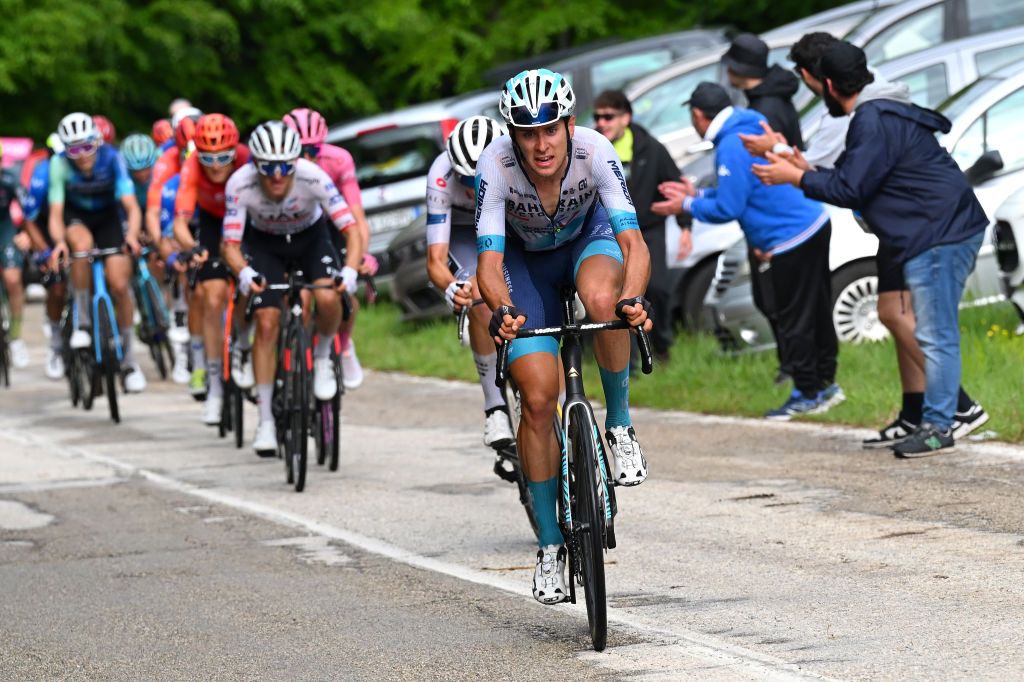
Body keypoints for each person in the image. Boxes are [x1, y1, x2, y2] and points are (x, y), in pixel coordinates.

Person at [742, 34, 990, 447]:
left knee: (934, 333)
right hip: (932, 228)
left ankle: (941, 425)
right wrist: (796, 165)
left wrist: (794, 175)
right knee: (922, 326)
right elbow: (850, 177)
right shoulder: (879, 112)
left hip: (936, 231)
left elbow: (849, 189)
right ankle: (931, 419)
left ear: (829, 85)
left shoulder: (871, 118)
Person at [475, 69, 652, 605]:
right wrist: (503, 309)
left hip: (587, 242)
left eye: (549, 129)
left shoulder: (596, 151)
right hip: (526, 268)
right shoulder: (496, 165)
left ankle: (619, 426)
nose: (540, 143)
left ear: (569, 124)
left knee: (604, 303)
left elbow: (634, 243)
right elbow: (488, 261)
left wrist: (633, 298)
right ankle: (551, 546)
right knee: (536, 397)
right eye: (527, 133)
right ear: (512, 134)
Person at [654, 82, 840, 419]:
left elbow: (729, 207)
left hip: (789, 237)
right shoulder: (748, 123)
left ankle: (808, 391)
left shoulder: (730, 146)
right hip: (811, 223)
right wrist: (694, 194)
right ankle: (826, 383)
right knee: (815, 310)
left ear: (698, 115)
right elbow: (736, 191)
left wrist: (685, 204)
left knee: (792, 317)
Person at [222, 121, 365, 454]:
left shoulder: (313, 177)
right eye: (267, 167)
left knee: (329, 296)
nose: (276, 175)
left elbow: (352, 231)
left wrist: (349, 269)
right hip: (265, 245)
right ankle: (266, 422)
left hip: (310, 241)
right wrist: (243, 273)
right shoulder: (239, 184)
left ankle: (323, 356)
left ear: (296, 161)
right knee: (268, 322)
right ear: (254, 163)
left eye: (285, 166)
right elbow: (229, 245)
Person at [424, 115, 513, 448]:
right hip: (464, 231)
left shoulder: (513, 160)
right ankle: (495, 408)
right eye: (467, 177)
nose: (474, 186)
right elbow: (435, 258)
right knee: (477, 292)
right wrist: (450, 287)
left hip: (507, 225)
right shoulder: (441, 175)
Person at [48, 112, 147, 393]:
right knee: (80, 246)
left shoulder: (112, 158)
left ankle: (129, 360)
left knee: (119, 285)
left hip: (109, 218)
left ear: (98, 142)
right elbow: (56, 214)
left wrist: (130, 235)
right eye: (74, 149)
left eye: (88, 146)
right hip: (76, 217)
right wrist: (59, 242)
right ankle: (82, 321)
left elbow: (131, 205)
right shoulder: (59, 165)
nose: (82, 155)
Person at [592, 89, 692, 358]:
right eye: (597, 117)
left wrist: (685, 226)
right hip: (608, 232)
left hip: (648, 229)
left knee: (657, 287)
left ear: (626, 118)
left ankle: (661, 348)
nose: (602, 123)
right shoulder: (591, 149)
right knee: (619, 294)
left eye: (609, 117)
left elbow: (673, 185)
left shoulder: (651, 148)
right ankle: (629, 359)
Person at [283, 107, 374, 390]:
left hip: (332, 226)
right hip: (291, 227)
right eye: (301, 150)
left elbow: (356, 215)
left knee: (340, 294)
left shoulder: (338, 160)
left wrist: (362, 255)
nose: (308, 157)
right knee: (298, 298)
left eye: (314, 149)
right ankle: (289, 356)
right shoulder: (279, 166)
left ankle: (344, 345)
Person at [171, 114, 250, 425]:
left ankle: (243, 341)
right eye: (208, 157)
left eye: (223, 157)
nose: (216, 165)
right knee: (212, 296)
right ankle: (215, 387)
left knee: (252, 283)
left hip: (248, 218)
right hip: (212, 222)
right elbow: (180, 222)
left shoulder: (247, 160)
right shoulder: (191, 168)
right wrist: (191, 247)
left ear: (236, 151)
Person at [20, 136, 68, 379]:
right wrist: (45, 251)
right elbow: (29, 219)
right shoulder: (43, 173)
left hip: (76, 225)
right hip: (47, 231)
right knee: (57, 288)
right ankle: (56, 344)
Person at [723, 33, 804, 149]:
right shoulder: (774, 94)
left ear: (737, 69)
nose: (727, 71)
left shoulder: (764, 111)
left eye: (730, 65)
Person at [0, 144, 29, 369]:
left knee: (12, 279)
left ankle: (17, 338)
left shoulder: (8, 180)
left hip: (6, 231)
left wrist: (28, 234)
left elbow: (30, 207)